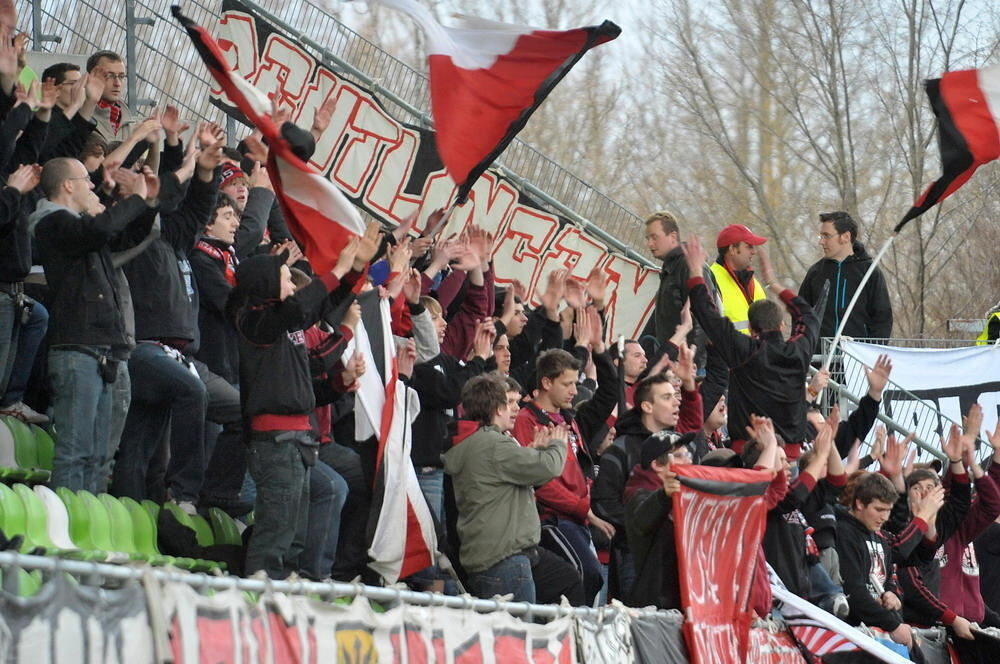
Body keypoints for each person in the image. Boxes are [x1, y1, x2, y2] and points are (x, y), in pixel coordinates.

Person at [226, 225, 370, 578]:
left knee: (294, 536)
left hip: (297, 441)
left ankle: (281, 599)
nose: (292, 287)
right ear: (264, 282)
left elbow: (323, 309)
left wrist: (355, 270)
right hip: (275, 442)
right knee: (276, 533)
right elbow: (304, 306)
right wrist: (336, 271)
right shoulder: (255, 323)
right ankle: (258, 600)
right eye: (287, 278)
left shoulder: (283, 328)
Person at [33, 157, 158, 491]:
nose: (92, 186)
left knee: (99, 455)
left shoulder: (82, 230)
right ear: (68, 185)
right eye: (86, 180)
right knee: (75, 452)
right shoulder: (53, 224)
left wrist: (145, 202)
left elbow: (129, 235)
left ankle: (88, 522)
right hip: (77, 349)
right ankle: (66, 529)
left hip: (102, 351)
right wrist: (132, 199)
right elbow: (101, 229)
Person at [443, 373, 583, 605]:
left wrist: (533, 452)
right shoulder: (493, 444)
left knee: (566, 580)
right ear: (498, 409)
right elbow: (548, 467)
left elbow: (511, 477)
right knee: (515, 634)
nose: (515, 409)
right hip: (505, 558)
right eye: (509, 403)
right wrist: (558, 443)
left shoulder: (477, 443)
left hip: (498, 555)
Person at [512, 316, 617, 605]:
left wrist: (599, 348)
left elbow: (610, 394)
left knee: (588, 580)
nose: (574, 390)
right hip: (553, 520)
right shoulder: (526, 420)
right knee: (585, 576)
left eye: (575, 383)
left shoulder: (573, 419)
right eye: (568, 384)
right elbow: (538, 482)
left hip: (577, 519)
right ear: (546, 382)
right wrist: (585, 510)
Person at [683, 235, 819, 451]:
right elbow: (808, 316)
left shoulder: (744, 351)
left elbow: (707, 313)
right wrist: (774, 284)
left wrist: (695, 271)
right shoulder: (799, 351)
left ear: (753, 329)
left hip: (746, 457)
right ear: (782, 325)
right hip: (790, 458)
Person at [835, 471, 944, 652]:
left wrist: (893, 595)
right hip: (853, 636)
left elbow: (891, 577)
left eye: (888, 510)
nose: (884, 517)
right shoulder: (844, 533)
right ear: (859, 503)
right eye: (879, 510)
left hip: (881, 634)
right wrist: (893, 625)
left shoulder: (880, 537)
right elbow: (854, 591)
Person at [798, 211, 893, 345]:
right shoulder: (815, 273)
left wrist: (872, 356)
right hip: (819, 361)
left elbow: (882, 320)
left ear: (846, 237)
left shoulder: (870, 273)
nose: (821, 242)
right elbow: (800, 316)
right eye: (821, 236)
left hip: (857, 361)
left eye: (827, 236)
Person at [623, 430, 693, 609]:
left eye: (688, 454)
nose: (688, 461)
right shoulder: (638, 493)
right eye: (679, 456)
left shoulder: (688, 495)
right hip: (655, 607)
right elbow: (642, 520)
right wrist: (664, 495)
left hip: (686, 600)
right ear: (657, 465)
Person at [708, 224, 767, 334]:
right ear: (732, 249)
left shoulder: (753, 283)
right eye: (749, 246)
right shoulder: (711, 280)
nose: (753, 251)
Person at [87, 50, 132, 141]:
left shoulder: (129, 122)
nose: (117, 83)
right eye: (110, 76)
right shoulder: (78, 116)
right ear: (92, 76)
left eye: (121, 76)